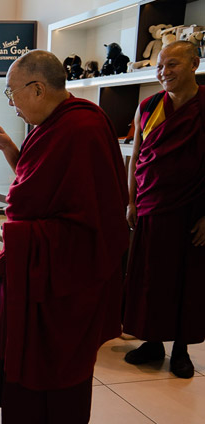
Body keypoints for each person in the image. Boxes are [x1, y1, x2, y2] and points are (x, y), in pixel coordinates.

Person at [0, 50, 129, 423]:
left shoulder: (81, 129)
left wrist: (22, 237)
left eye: (12, 94)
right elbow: (41, 189)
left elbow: (91, 225)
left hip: (61, 281)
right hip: (43, 272)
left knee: (54, 379)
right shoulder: (56, 125)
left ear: (38, 89)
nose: (12, 104)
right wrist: (11, 149)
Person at [122, 40, 205, 379]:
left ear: (194, 64)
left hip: (192, 211)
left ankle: (181, 350)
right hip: (151, 207)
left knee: (187, 280)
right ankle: (152, 341)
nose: (163, 72)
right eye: (159, 66)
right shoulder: (148, 106)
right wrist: (130, 200)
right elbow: (137, 157)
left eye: (172, 64)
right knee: (149, 277)